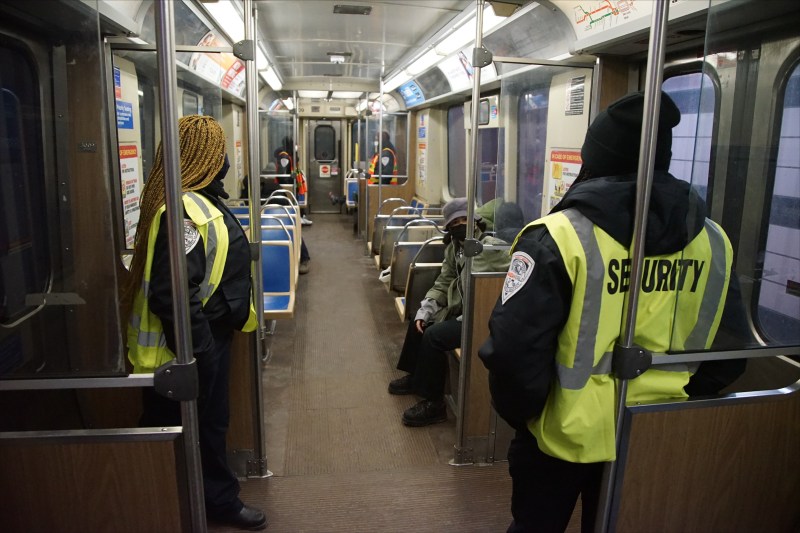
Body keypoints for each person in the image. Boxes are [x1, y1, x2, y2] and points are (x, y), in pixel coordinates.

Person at [478, 91, 747, 532]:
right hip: (655, 430)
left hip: (561, 434)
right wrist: (679, 400)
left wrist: (528, 417)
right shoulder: (713, 240)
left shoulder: (557, 236)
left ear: (596, 158)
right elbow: (731, 348)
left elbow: (513, 351)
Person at [122, 115, 267, 530]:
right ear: (203, 155)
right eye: (219, 151)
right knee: (190, 425)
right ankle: (198, 503)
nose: (224, 160)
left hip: (204, 338)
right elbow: (173, 294)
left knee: (207, 423)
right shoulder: (184, 212)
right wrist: (201, 353)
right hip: (185, 348)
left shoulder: (202, 199)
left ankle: (191, 497)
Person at [388, 197, 511, 426]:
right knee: (419, 320)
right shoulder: (455, 248)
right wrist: (428, 307)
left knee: (434, 337)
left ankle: (434, 404)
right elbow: (444, 280)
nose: (460, 226)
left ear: (475, 220)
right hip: (460, 308)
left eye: (465, 220)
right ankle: (416, 377)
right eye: (455, 224)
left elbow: (508, 274)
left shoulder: (490, 247)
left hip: (480, 316)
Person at [262, 178, 311, 274]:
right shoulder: (269, 184)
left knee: (290, 229)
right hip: (278, 204)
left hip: (278, 205)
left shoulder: (256, 188)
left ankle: (304, 258)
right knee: (292, 230)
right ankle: (304, 258)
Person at [274, 136, 312, 226]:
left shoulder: (290, 154)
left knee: (297, 199)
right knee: (292, 200)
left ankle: (301, 216)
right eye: (294, 145)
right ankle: (297, 217)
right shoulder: (284, 156)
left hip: (293, 182)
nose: (296, 146)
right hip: (287, 185)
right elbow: (282, 174)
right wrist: (290, 182)